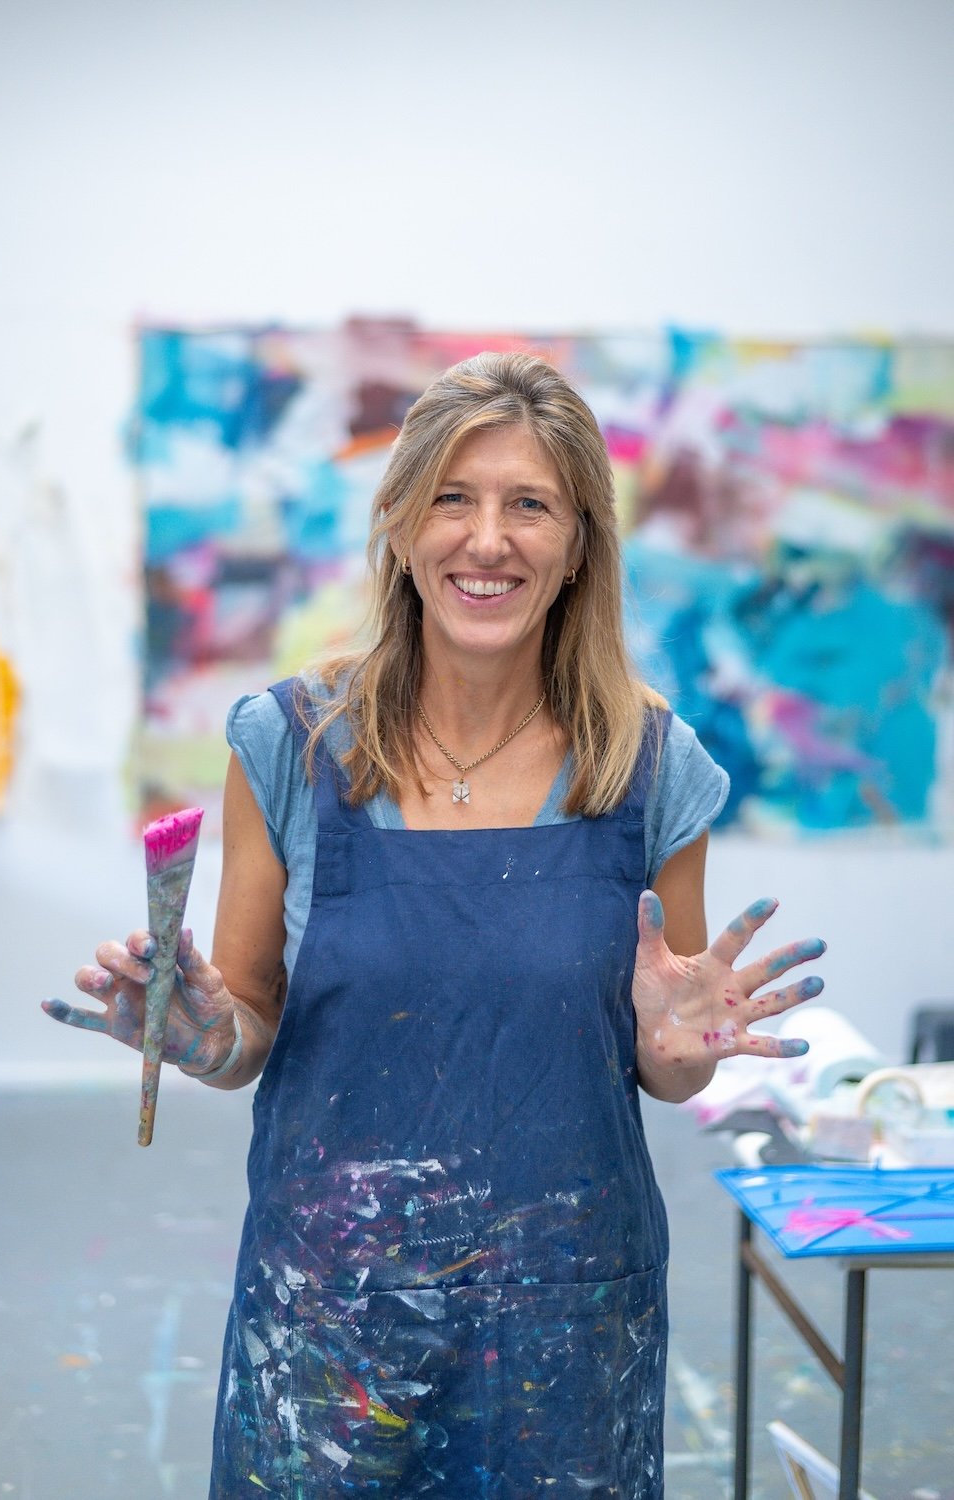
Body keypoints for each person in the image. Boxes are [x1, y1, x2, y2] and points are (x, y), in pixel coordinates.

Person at [45, 352, 824, 1498]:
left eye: (530, 505)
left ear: (577, 546)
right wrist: (209, 1036)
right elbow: (249, 1022)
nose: (487, 539)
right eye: (453, 499)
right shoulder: (290, 744)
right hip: (327, 1331)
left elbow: (667, 1061)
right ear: (402, 525)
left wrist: (674, 1052)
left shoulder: (650, 767)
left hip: (565, 1338)